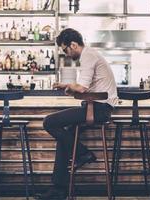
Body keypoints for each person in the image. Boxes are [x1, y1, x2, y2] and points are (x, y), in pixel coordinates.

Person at [37, 28, 118, 200]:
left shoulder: (88, 55)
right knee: (64, 139)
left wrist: (69, 86)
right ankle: (58, 190)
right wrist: (68, 87)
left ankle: (83, 153)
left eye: (65, 49)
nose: (66, 53)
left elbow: (82, 87)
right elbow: (84, 88)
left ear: (73, 45)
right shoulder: (90, 55)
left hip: (99, 109)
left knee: (49, 122)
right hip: (96, 106)